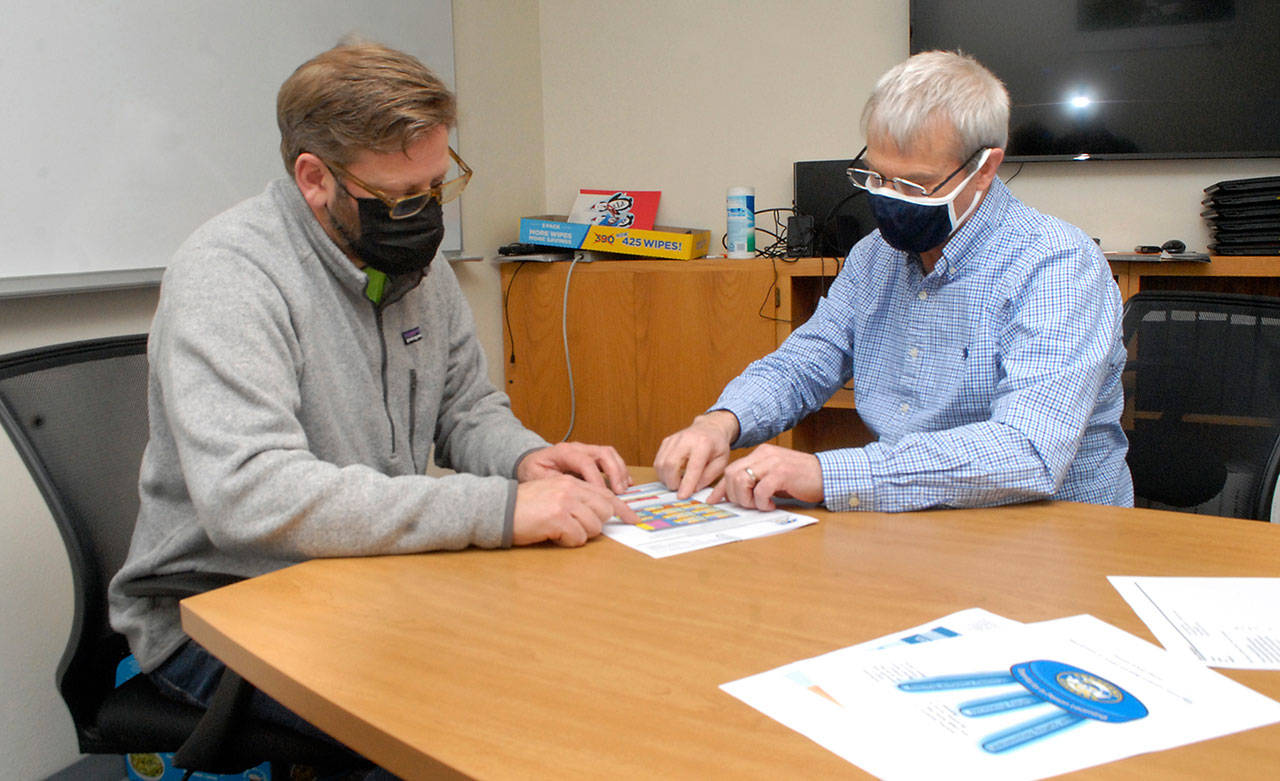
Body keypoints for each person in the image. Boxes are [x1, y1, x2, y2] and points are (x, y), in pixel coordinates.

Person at [108, 40, 638, 754]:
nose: (424, 214)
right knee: (483, 714)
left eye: (436, 187)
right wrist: (498, 508)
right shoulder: (228, 275)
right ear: (314, 178)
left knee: (562, 660)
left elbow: (464, 408)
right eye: (399, 198)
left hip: (363, 580)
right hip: (219, 613)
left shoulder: (411, 265)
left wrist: (524, 461)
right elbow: (251, 495)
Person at [655, 50, 1132, 513]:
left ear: (984, 169)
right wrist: (721, 422)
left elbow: (1028, 451)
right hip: (918, 518)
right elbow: (805, 361)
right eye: (877, 177)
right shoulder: (873, 256)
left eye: (913, 185)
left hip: (1054, 530)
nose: (888, 199)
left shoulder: (1056, 265)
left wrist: (827, 474)